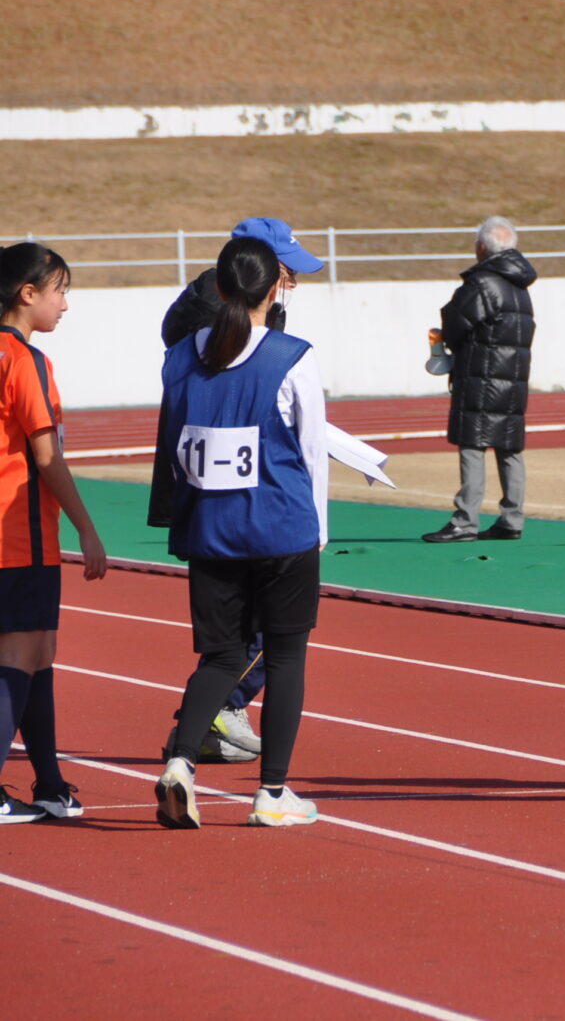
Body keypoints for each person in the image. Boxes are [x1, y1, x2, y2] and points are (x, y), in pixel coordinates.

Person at [154, 236, 329, 828]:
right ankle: (272, 792)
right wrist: (318, 530)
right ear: (275, 287)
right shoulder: (292, 356)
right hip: (282, 528)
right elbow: (312, 452)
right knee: (286, 659)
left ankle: (180, 762)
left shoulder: (180, 357)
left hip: (211, 531)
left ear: (219, 286)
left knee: (221, 655)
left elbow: (177, 448)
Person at [0, 243, 108, 824]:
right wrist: (86, 528)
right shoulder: (25, 360)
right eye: (60, 291)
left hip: (14, 532)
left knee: (39, 651)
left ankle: (49, 782)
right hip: (19, 532)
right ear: (28, 293)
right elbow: (46, 455)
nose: (65, 304)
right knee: (22, 652)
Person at [423, 217, 536, 543]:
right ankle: (512, 519)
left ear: (483, 247)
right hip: (513, 377)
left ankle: (465, 520)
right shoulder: (520, 286)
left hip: (481, 374)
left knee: (472, 444)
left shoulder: (483, 282)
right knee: (509, 446)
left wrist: (446, 343)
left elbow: (455, 322)